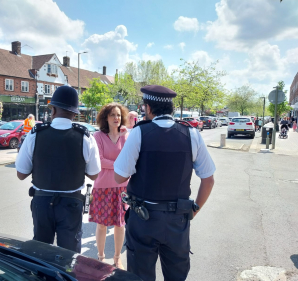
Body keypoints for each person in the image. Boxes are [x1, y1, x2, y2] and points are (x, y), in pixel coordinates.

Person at [114, 85, 216, 281]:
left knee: (140, 277)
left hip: (143, 219)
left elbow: (119, 177)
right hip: (177, 220)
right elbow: (208, 179)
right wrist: (195, 209)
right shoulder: (191, 134)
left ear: (149, 108)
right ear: (171, 108)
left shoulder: (139, 133)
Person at [15, 86, 101, 253]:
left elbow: (21, 174)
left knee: (41, 252)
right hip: (71, 204)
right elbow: (94, 174)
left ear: (53, 110)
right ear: (75, 113)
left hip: (42, 203)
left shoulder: (35, 133)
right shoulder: (85, 136)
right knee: (69, 255)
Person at [89, 103, 129, 269]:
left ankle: (117, 257)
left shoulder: (126, 136)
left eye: (118, 115)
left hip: (122, 187)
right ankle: (100, 256)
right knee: (102, 225)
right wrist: (120, 164)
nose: (116, 118)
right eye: (112, 115)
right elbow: (99, 161)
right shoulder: (97, 136)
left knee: (120, 225)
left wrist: (116, 164)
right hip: (102, 187)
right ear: (105, 117)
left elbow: (131, 158)